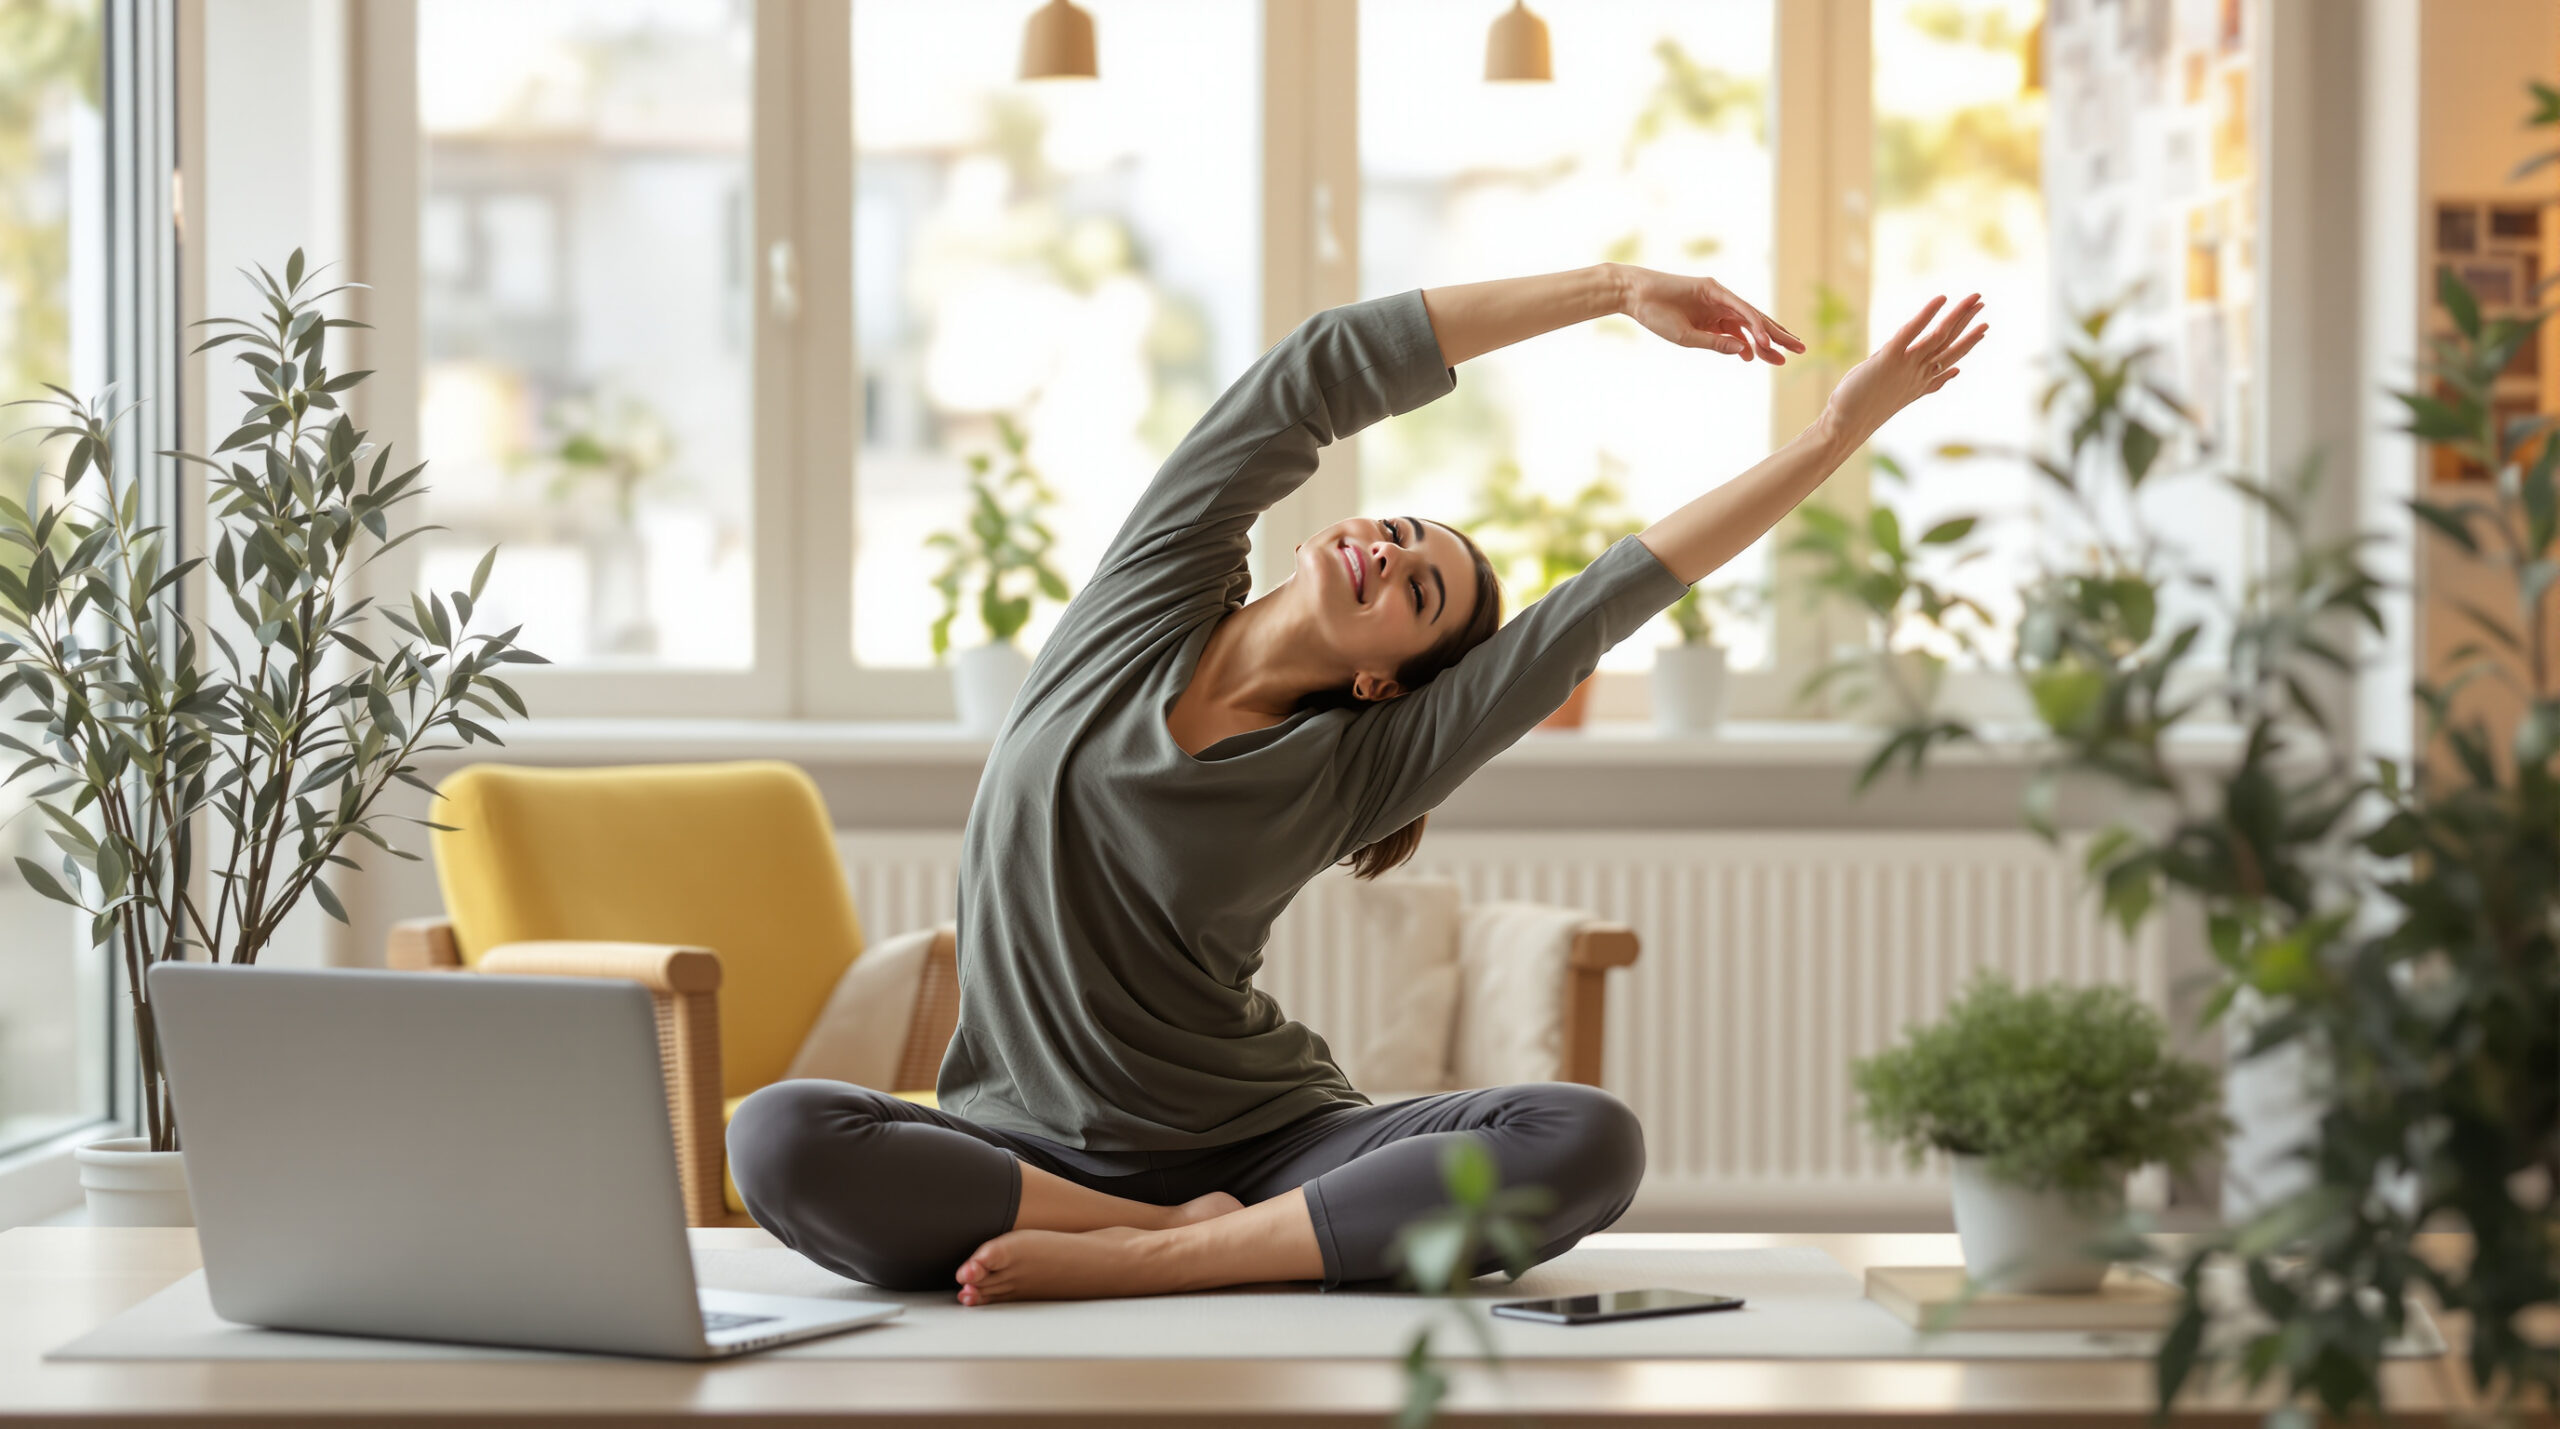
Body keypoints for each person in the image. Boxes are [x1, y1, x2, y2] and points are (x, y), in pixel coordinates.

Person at [730, 265, 1986, 1305]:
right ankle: (1142, 1231)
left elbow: (1612, 593)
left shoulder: (1361, 762)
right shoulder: (1144, 602)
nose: (1386, 551)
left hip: (1266, 1147)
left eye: (1418, 588)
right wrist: (1613, 289)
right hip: (1023, 1153)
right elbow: (1318, 367)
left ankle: (1175, 1258)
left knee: (1584, 1139)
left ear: (1393, 680)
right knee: (778, 1138)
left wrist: (1837, 430)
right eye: (1395, 532)